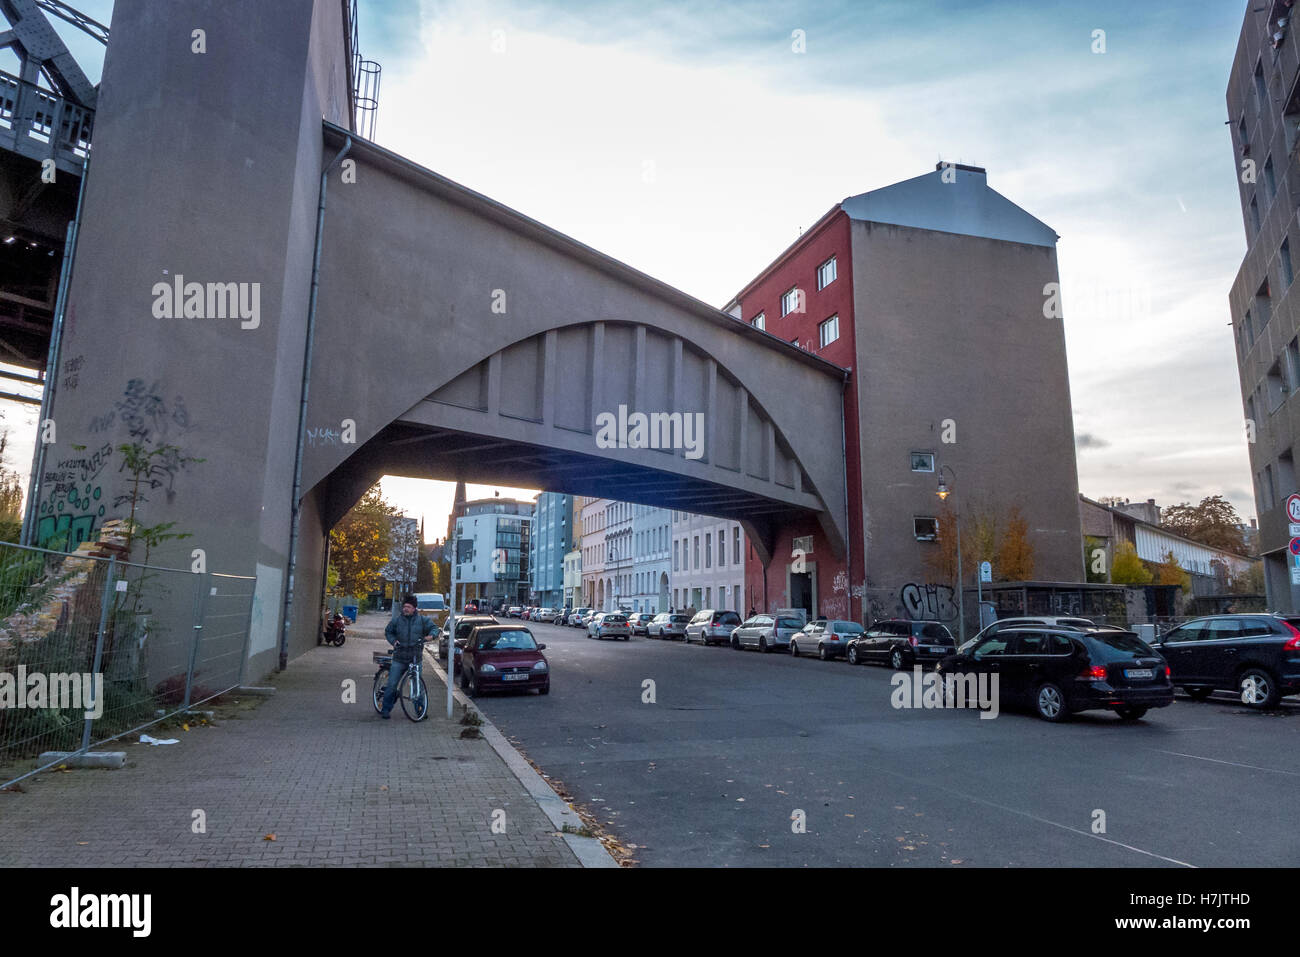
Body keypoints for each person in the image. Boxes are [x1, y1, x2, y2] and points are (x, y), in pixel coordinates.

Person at [379, 593, 436, 719]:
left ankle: (420, 710)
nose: (405, 609)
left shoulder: (422, 620)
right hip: (399, 658)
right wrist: (394, 641)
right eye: (404, 606)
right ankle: (386, 709)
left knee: (417, 686)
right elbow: (388, 631)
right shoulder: (397, 621)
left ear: (414, 608)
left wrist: (430, 636)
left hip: (415, 658)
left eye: (409, 607)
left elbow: (434, 629)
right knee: (392, 684)